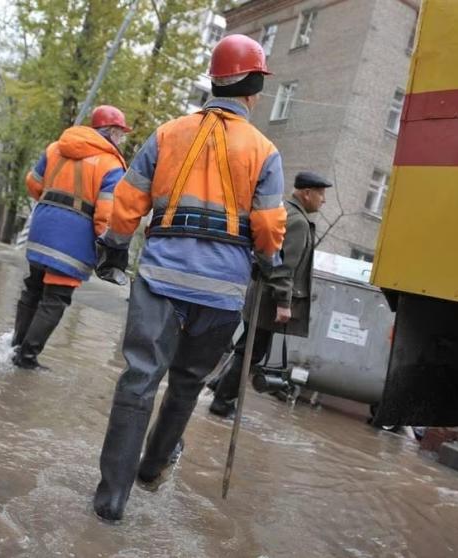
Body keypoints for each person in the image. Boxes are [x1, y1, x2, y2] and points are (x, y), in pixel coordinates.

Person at [91, 34, 286, 522]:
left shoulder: (166, 134)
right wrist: (269, 261)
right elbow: (266, 229)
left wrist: (114, 250)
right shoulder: (265, 151)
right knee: (186, 385)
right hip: (221, 293)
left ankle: (111, 501)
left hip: (159, 278)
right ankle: (152, 469)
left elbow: (128, 204)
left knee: (139, 379)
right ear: (253, 86)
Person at [10, 105, 131, 369]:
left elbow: (33, 183)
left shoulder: (56, 148)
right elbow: (105, 216)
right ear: (111, 131)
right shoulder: (111, 164)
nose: (122, 138)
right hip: (73, 238)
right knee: (56, 297)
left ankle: (16, 347)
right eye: (121, 133)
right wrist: (108, 247)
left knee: (33, 287)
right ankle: (27, 358)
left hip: (42, 226)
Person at [209, 171, 331, 417]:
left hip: (263, 293)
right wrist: (284, 303)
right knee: (251, 352)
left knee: (247, 347)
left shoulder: (285, 211)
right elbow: (284, 266)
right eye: (321, 194)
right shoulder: (297, 221)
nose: (323, 200)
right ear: (306, 193)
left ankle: (219, 386)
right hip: (270, 298)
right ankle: (223, 402)